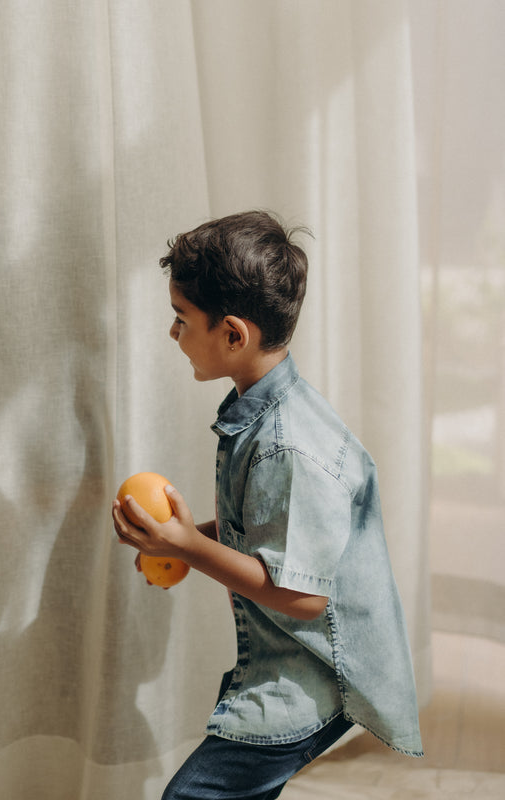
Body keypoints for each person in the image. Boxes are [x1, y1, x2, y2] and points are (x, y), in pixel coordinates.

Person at [112, 210, 423, 799]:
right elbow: (271, 532)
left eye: (181, 319)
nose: (172, 333)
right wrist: (177, 540)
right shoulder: (265, 415)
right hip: (291, 659)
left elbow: (303, 596)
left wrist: (190, 547)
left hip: (315, 676)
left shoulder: (288, 447)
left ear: (233, 335)